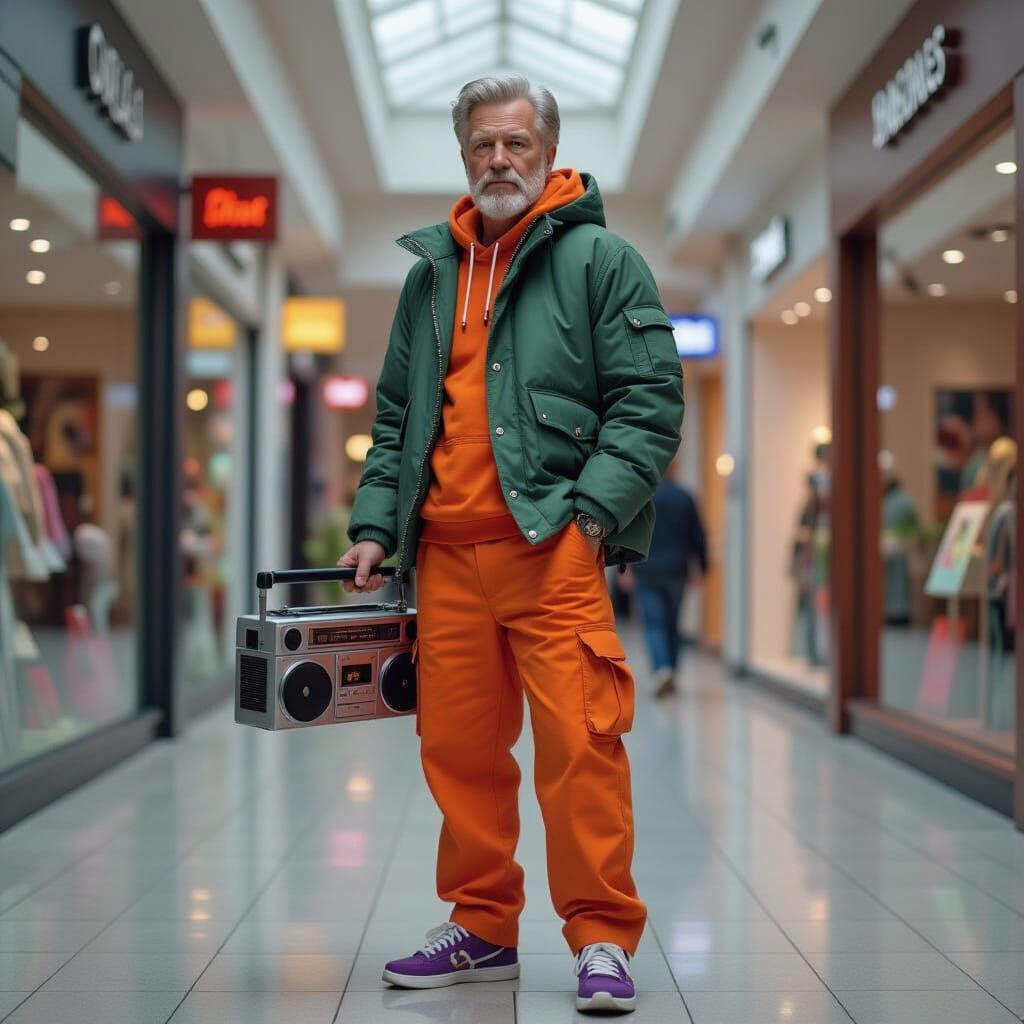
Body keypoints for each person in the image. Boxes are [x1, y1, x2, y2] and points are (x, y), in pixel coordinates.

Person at [337, 74, 684, 1015]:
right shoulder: (427, 279)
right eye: (484, 145)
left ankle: (602, 937)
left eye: (517, 145)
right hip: (444, 559)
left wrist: (593, 519)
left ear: (549, 152)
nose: (499, 160)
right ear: (463, 155)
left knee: (580, 746)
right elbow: (399, 414)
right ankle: (483, 926)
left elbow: (650, 405)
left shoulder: (603, 262)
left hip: (552, 553)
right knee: (459, 753)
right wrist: (374, 526)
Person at [624, 459, 706, 697]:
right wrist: (702, 566)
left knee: (653, 623)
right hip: (677, 570)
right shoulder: (685, 497)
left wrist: (625, 568)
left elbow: (628, 534)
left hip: (646, 569)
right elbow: (698, 536)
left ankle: (662, 670)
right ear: (675, 469)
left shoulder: (642, 497)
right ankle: (671, 671)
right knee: (672, 623)